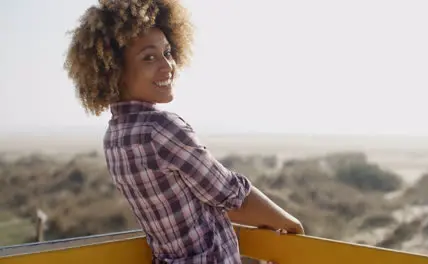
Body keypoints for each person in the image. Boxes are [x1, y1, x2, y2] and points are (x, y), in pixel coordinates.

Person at [64, 0, 304, 263]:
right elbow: (229, 196)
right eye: (149, 57)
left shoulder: (114, 137)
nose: (167, 66)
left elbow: (200, 200)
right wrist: (289, 223)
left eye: (167, 52)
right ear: (115, 71)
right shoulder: (161, 129)